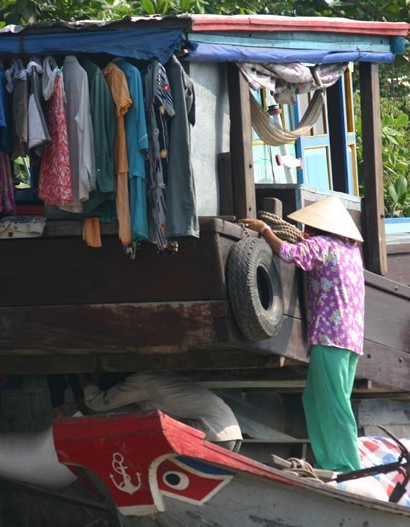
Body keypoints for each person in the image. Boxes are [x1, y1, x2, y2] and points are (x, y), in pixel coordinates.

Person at [241, 196, 364, 473]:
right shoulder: (351, 251)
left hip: (330, 336)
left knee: (332, 402)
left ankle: (345, 465)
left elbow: (288, 253)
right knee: (317, 398)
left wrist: (264, 230)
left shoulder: (321, 245)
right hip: (351, 338)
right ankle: (327, 460)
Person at [84, 370, 243, 452]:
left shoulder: (141, 382)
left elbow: (99, 404)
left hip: (210, 434)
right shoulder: (160, 376)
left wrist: (85, 383)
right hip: (231, 435)